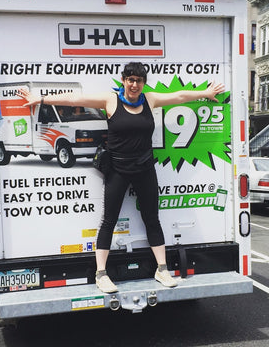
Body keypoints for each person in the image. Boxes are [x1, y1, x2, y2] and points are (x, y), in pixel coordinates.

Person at [17, 62, 225, 293]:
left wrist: (205, 94)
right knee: (109, 220)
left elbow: (178, 96)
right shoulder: (110, 100)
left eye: (139, 80)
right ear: (124, 80)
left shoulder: (150, 100)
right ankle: (101, 274)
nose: (134, 85)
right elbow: (76, 99)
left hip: (145, 168)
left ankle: (162, 269)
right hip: (117, 169)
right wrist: (41, 99)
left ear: (143, 83)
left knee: (152, 219)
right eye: (130, 80)